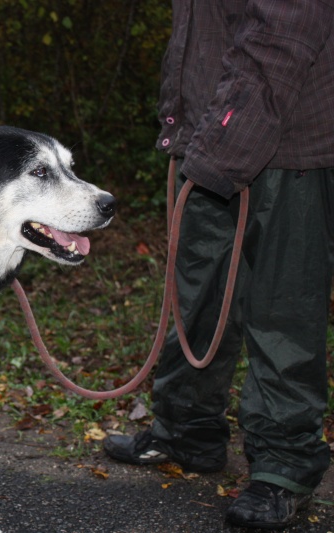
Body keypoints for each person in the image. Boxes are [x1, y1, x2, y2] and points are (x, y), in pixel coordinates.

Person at [102, 1, 334, 529]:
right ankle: (187, 431)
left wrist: (222, 146)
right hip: (214, 134)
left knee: (282, 309)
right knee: (198, 294)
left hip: (291, 146)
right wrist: (193, 136)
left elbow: (284, 34)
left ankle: (284, 465)